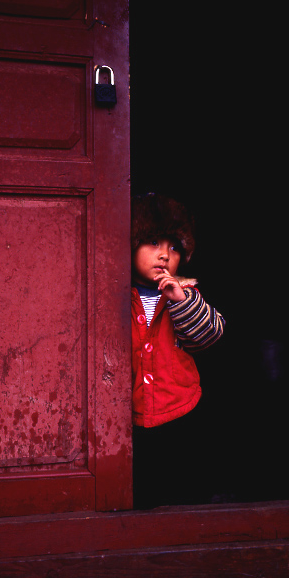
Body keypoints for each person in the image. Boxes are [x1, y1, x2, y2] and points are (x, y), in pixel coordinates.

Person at [131, 193, 225, 508]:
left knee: (180, 489)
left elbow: (209, 335)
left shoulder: (184, 293)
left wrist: (181, 301)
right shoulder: (111, 292)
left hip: (180, 409)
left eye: (174, 247)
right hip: (129, 414)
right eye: (153, 243)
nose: (164, 255)